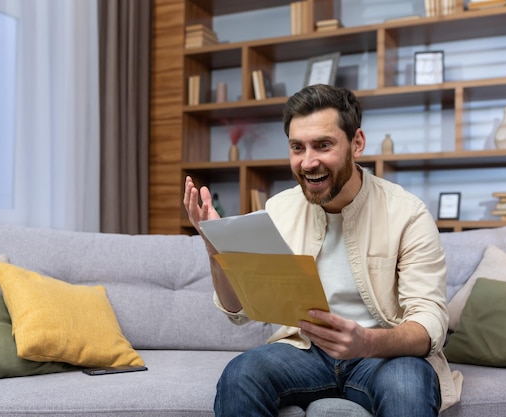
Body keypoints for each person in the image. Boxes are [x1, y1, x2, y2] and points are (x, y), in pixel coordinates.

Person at [183, 84, 461, 416]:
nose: (308, 162)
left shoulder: (408, 213)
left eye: (323, 145)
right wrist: (214, 245)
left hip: (381, 356)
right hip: (305, 353)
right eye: (297, 147)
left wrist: (366, 342)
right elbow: (237, 309)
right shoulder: (279, 209)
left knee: (407, 385)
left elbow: (430, 324)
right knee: (241, 374)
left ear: (356, 143)